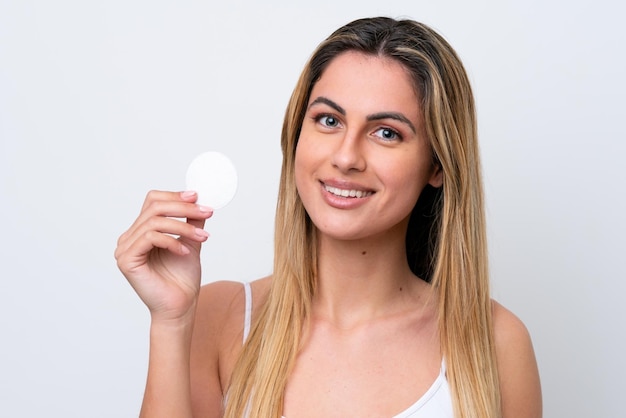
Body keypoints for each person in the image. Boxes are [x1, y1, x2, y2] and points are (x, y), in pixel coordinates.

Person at [115, 16, 542, 418]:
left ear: (438, 165)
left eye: (387, 132)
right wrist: (170, 323)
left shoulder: (497, 344)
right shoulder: (217, 317)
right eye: (328, 120)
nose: (345, 156)